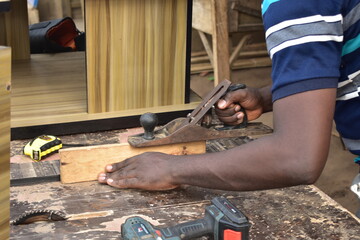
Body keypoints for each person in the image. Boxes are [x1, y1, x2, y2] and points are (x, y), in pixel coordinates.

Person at [98, 0, 360, 197]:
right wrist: (271, 97)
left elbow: (297, 159)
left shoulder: (294, 4)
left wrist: (169, 168)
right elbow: (344, 60)